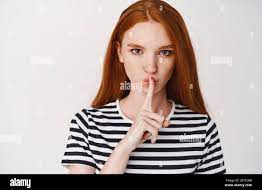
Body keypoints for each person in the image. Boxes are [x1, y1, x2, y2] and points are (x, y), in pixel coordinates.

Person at [61, 0, 226, 174]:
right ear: (119, 52)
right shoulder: (87, 125)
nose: (151, 67)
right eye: (137, 51)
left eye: (165, 52)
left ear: (177, 57)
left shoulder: (201, 129)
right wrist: (126, 145)